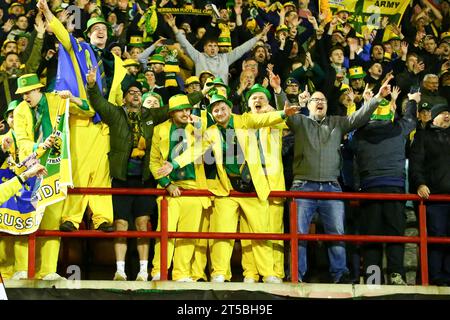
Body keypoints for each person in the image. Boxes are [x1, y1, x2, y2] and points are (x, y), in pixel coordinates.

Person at [157, 94, 299, 283]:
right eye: (215, 110)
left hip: (252, 188)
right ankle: (219, 273)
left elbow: (263, 118)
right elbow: (194, 151)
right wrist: (173, 165)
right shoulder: (212, 132)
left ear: (230, 109)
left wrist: (283, 113)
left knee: (261, 232)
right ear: (212, 114)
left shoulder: (244, 120)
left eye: (223, 108)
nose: (220, 112)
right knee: (221, 232)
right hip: (228, 189)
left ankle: (268, 273)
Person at [287, 75, 394, 283]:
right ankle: (295, 275)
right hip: (302, 186)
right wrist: (278, 91)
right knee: (297, 234)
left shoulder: (337, 122)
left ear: (328, 105)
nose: (319, 102)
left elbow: (359, 118)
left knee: (337, 233)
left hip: (331, 186)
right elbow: (286, 113)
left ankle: (340, 274)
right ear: (308, 105)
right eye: (315, 100)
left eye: (323, 100)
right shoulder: (299, 122)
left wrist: (377, 98)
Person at [39, 0, 127, 233]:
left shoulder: (116, 62)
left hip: (104, 123)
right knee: (77, 170)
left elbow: (125, 90)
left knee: (101, 173)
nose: (101, 31)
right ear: (87, 34)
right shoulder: (80, 49)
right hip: (80, 118)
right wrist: (48, 12)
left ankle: (102, 218)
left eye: (104, 29)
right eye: (96, 28)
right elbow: (64, 37)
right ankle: (72, 217)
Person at [13, 73, 94, 280]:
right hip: (30, 169)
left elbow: (88, 110)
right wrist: (38, 146)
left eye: (28, 92)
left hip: (55, 169)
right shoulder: (21, 109)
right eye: (22, 94)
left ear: (38, 89)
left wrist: (73, 98)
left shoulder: (57, 100)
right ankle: (22, 269)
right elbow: (22, 140)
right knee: (24, 219)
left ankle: (47, 270)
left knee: (51, 221)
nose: (25, 97)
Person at [352, 90, 420, 285]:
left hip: (369, 189)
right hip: (394, 189)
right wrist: (412, 101)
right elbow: (410, 119)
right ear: (389, 114)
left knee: (371, 235)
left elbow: (350, 141)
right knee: (395, 234)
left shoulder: (360, 133)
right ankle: (396, 275)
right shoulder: (398, 128)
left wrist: (365, 104)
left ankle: (373, 277)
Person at [149, 94, 211, 282]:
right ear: (172, 113)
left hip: (193, 187)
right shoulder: (160, 129)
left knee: (188, 234)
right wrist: (166, 183)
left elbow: (203, 147)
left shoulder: (197, 128)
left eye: (188, 109)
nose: (186, 113)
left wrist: (199, 128)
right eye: (181, 110)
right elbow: (153, 162)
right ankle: (159, 271)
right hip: (169, 188)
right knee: (165, 232)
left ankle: (181, 273)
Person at [239, 84, 286, 283]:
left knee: (275, 229)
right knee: (249, 229)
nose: (258, 101)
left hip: (273, 180)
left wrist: (275, 112)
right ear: (248, 103)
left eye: (262, 98)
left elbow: (290, 121)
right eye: (254, 98)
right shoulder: (242, 121)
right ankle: (251, 273)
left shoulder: (275, 121)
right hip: (251, 181)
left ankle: (276, 273)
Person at [164, 13, 272, 85]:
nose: (213, 48)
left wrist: (260, 35)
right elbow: (185, 44)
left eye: (215, 46)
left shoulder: (225, 58)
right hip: (202, 95)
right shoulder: (198, 56)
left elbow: (242, 48)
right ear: (205, 48)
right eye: (210, 46)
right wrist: (174, 27)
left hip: (222, 96)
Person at [409, 103, 450, 286]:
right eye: (443, 113)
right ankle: (436, 275)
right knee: (437, 236)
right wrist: (420, 183)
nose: (447, 116)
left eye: (449, 113)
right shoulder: (423, 136)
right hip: (436, 198)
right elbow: (416, 163)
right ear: (433, 117)